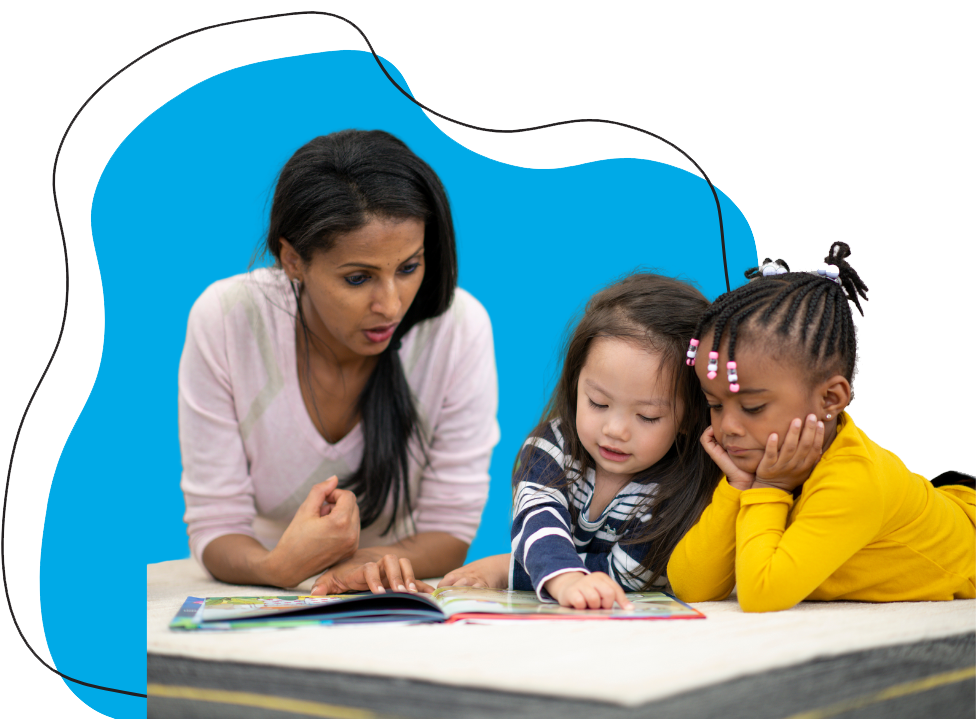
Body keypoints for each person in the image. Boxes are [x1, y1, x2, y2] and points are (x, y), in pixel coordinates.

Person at [178, 129, 500, 596]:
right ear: (292, 260)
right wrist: (278, 567)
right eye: (357, 278)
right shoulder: (227, 319)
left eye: (409, 267)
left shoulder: (458, 328)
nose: (390, 305)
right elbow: (215, 525)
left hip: (392, 591)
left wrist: (365, 566)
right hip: (265, 587)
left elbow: (449, 531)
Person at [667, 243, 976, 612]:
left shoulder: (853, 480)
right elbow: (690, 586)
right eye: (714, 405)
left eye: (752, 406)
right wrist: (739, 487)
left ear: (830, 399)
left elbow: (762, 592)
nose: (727, 426)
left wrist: (768, 489)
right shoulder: (767, 455)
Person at [441, 273, 722, 608]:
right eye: (598, 403)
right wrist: (565, 578)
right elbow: (537, 518)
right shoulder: (550, 446)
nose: (616, 429)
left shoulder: (677, 492)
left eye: (647, 416)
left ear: (690, 419)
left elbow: (628, 577)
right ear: (576, 385)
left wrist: (508, 569)